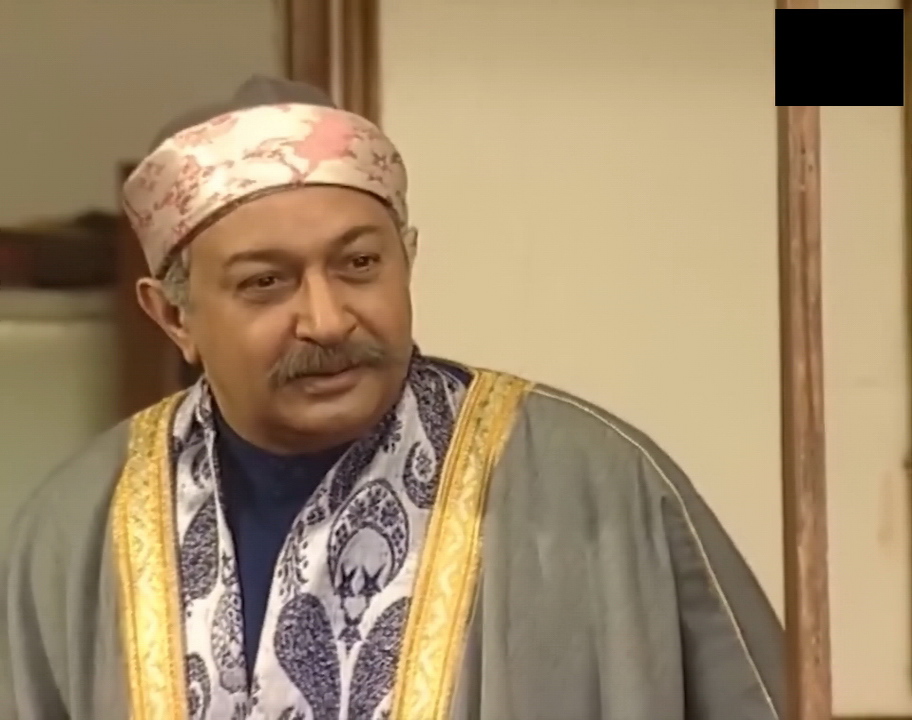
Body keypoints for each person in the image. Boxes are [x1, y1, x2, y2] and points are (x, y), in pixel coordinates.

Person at [0, 75, 783, 720]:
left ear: (407, 260)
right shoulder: (78, 530)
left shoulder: (595, 485)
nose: (328, 319)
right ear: (174, 316)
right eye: (265, 282)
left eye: (359, 265)